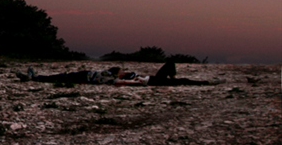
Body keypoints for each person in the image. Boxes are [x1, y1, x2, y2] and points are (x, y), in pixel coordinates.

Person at [16, 61, 212, 86]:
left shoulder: (117, 78)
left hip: (153, 81)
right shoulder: (112, 78)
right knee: (60, 77)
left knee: (181, 79)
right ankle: (34, 77)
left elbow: (122, 82)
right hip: (152, 81)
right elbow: (119, 82)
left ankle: (34, 78)